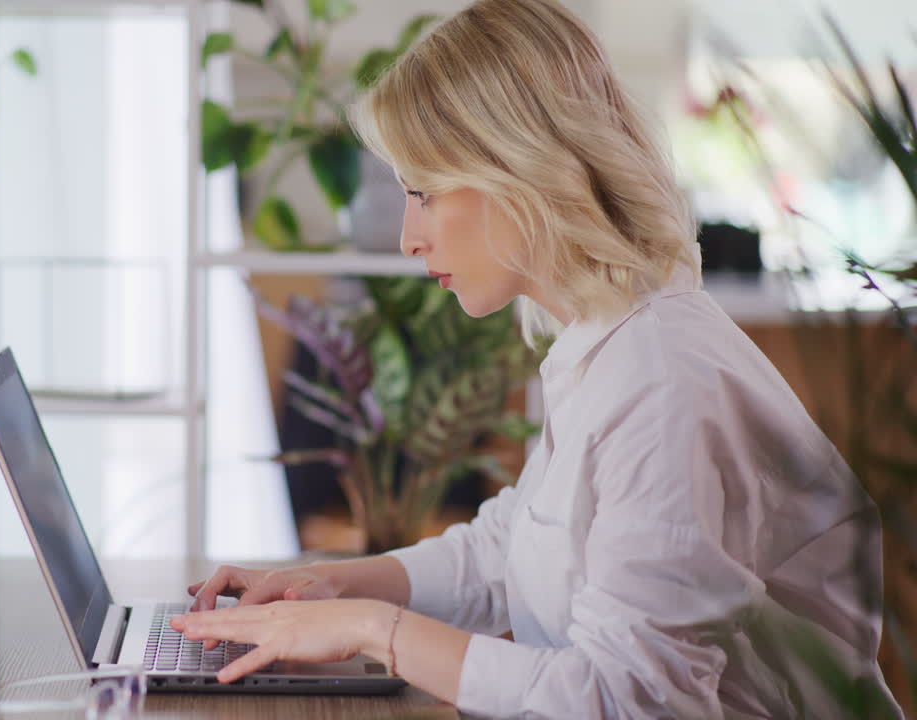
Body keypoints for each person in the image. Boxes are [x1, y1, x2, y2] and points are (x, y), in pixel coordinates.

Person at [169, 0, 902, 717]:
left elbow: (625, 701)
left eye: (422, 194)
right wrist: (331, 588)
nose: (408, 239)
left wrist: (371, 631)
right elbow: (513, 544)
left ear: (516, 174)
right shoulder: (604, 337)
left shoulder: (664, 385)